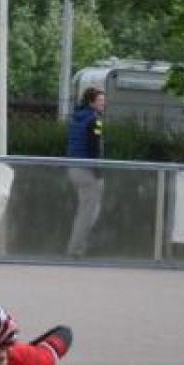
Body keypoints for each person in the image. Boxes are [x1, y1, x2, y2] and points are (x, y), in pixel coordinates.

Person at [65, 87, 107, 259]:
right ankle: (75, 250)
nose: (103, 104)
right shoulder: (95, 121)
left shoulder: (77, 118)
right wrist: (98, 171)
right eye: (100, 101)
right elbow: (94, 146)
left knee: (85, 210)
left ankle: (77, 247)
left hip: (73, 167)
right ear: (91, 102)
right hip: (86, 169)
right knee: (88, 213)